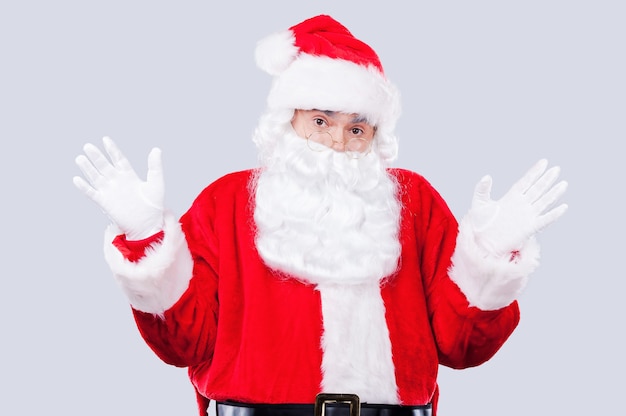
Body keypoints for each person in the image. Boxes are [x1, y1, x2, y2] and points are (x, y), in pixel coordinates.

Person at [73, 14, 568, 416]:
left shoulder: (413, 202)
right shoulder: (227, 201)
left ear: (376, 136)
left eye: (357, 128)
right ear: (287, 121)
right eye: (320, 121)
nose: (337, 141)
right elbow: (183, 344)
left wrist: (493, 254)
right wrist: (145, 238)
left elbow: (463, 349)